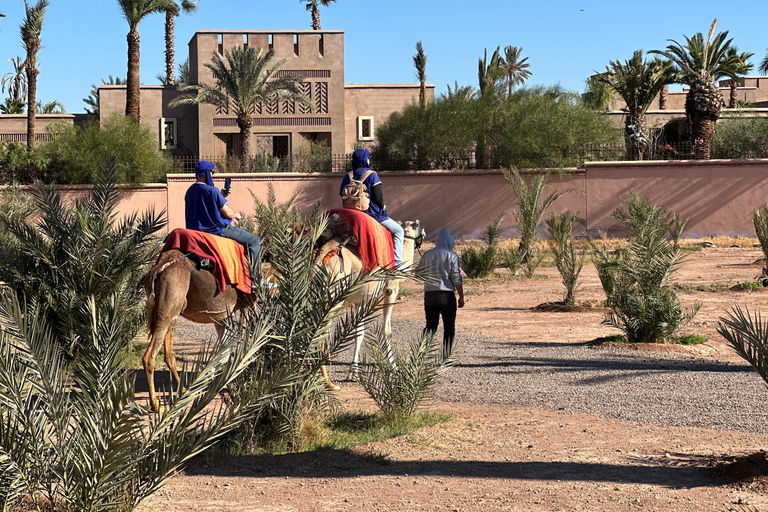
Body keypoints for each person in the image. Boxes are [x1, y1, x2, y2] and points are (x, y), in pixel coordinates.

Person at [185, 160, 260, 262]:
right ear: (207, 173)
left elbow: (205, 206)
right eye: (212, 172)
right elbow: (228, 213)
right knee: (254, 241)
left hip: (195, 231)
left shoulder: (190, 191)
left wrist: (222, 195)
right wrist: (236, 215)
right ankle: (256, 276)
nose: (212, 175)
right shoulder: (212, 190)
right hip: (216, 229)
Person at [339, 148, 404, 266]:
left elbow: (341, 195)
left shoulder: (347, 177)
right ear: (366, 160)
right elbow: (378, 198)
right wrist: (382, 206)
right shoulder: (372, 175)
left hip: (350, 215)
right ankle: (398, 263)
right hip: (372, 214)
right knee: (399, 231)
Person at [416, 228, 465, 356]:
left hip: (430, 295)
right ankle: (446, 356)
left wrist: (428, 278)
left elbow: (418, 273)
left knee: (430, 326)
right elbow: (456, 278)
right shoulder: (452, 256)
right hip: (447, 296)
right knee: (449, 327)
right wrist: (461, 296)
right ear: (449, 241)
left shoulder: (427, 254)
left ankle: (421, 355)